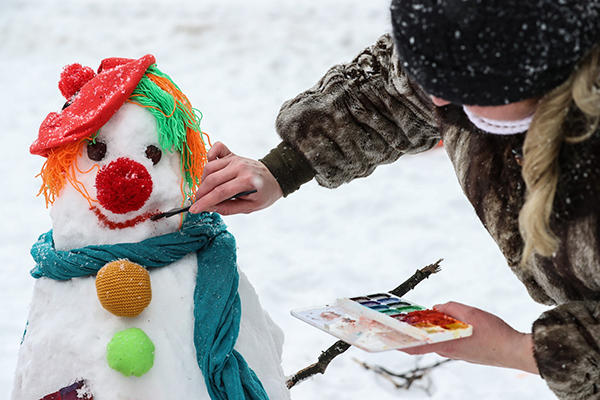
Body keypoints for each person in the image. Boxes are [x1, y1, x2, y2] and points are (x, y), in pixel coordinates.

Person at [189, 1, 600, 398]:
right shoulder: (468, 44)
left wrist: (516, 349)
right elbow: (392, 89)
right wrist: (284, 167)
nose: (437, 101)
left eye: (459, 88)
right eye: (429, 77)